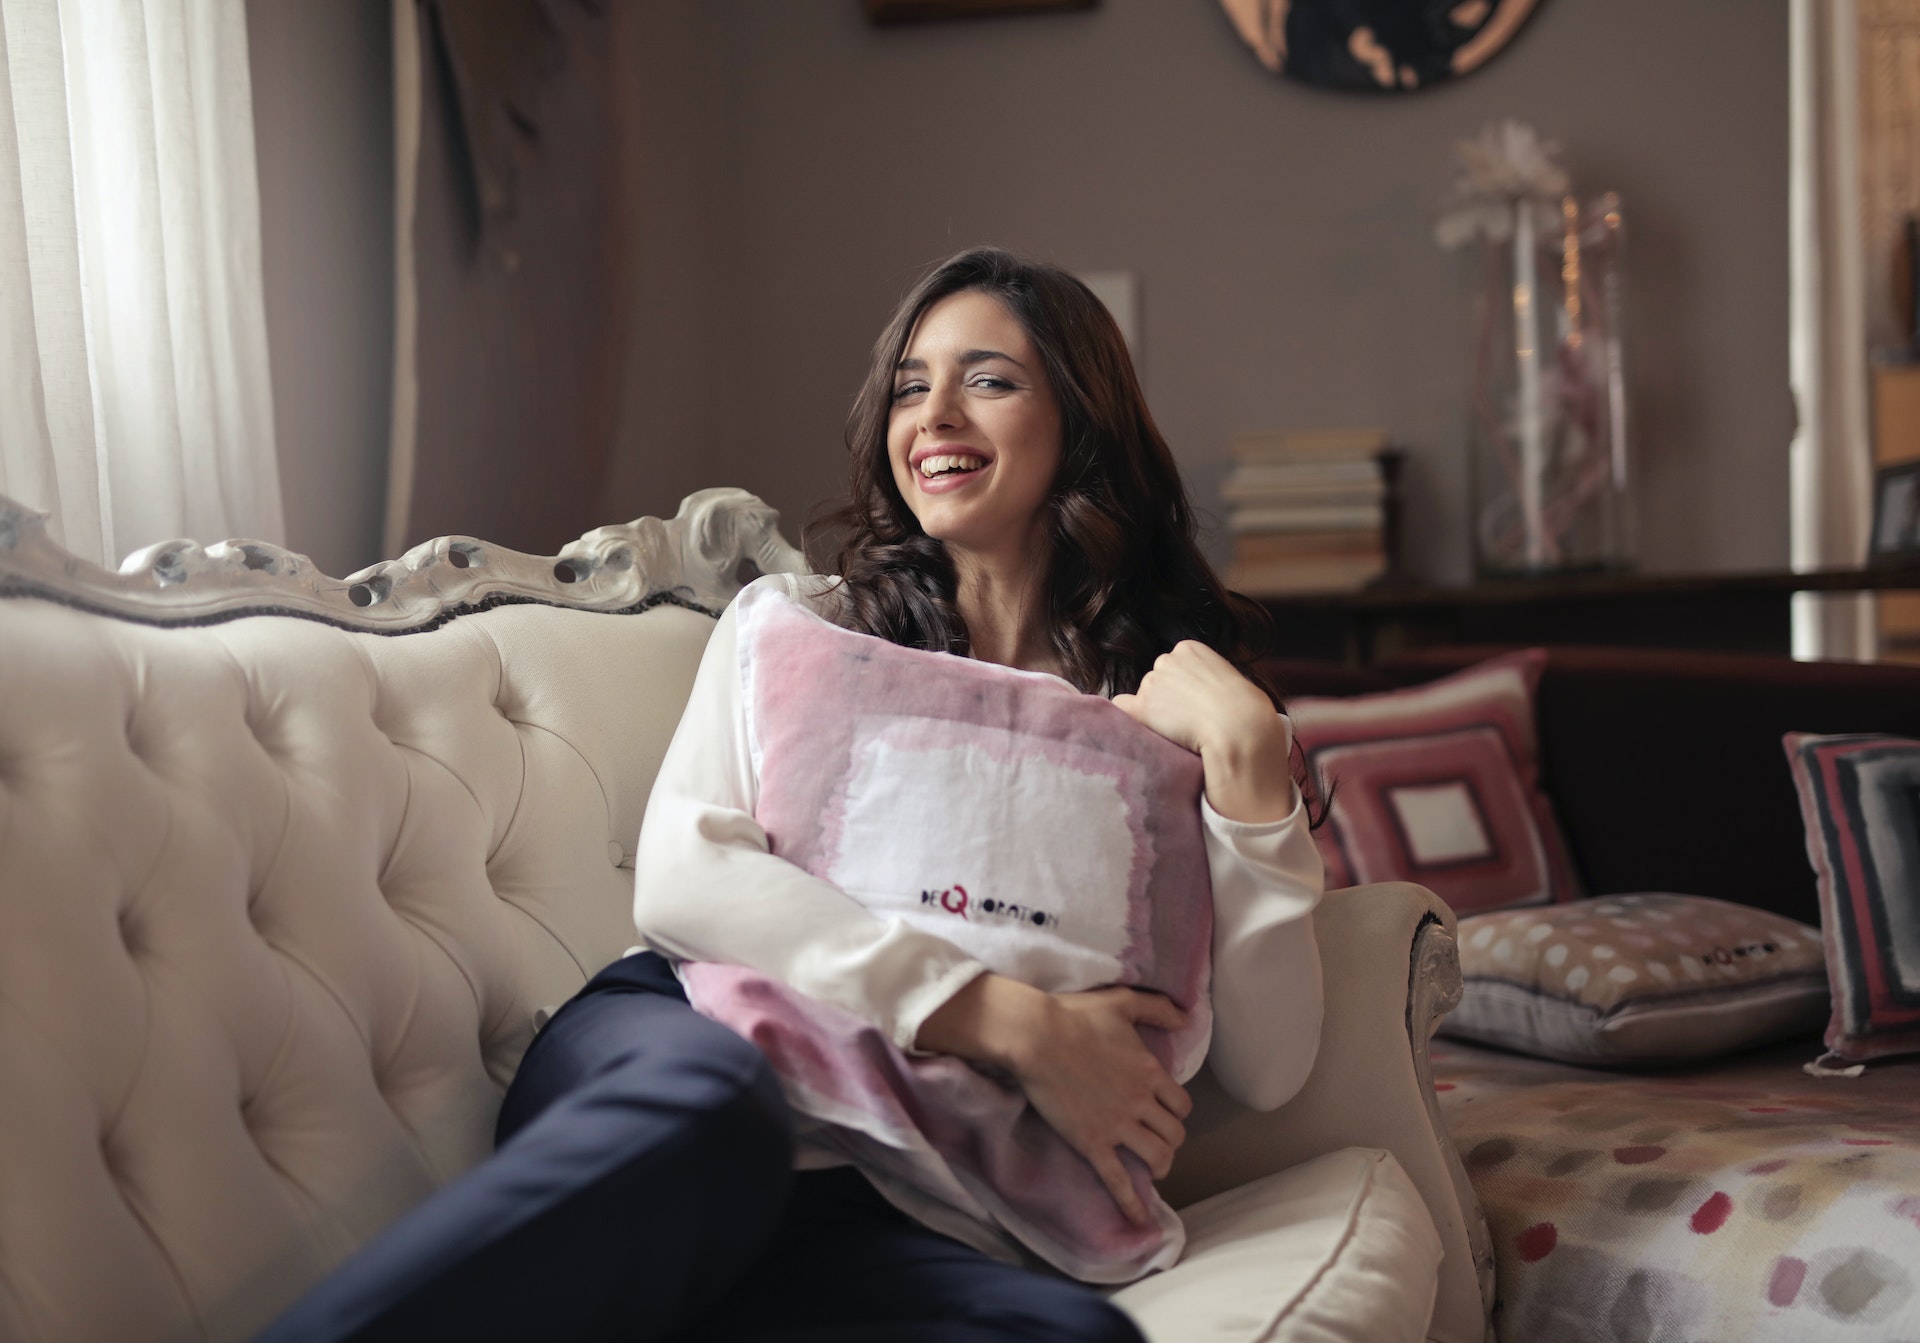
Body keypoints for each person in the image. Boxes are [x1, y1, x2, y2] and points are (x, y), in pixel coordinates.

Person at [253, 248, 1322, 1343]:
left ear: (1083, 422)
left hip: (896, 1198)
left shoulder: (1157, 712)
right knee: (714, 1117)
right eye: (911, 385)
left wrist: (1251, 775)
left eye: (989, 379)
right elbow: (684, 875)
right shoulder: (808, 624)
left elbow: (1271, 1066)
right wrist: (1015, 1023)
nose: (936, 414)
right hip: (693, 1055)